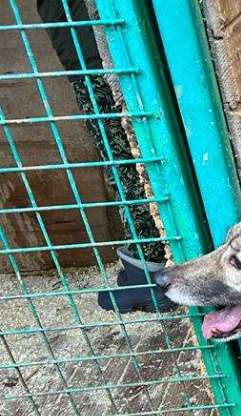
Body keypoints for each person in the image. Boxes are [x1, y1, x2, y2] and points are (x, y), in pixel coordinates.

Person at [36, 0, 174, 312]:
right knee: (124, 157)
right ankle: (145, 262)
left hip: (94, 50)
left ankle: (150, 267)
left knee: (124, 158)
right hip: (92, 46)